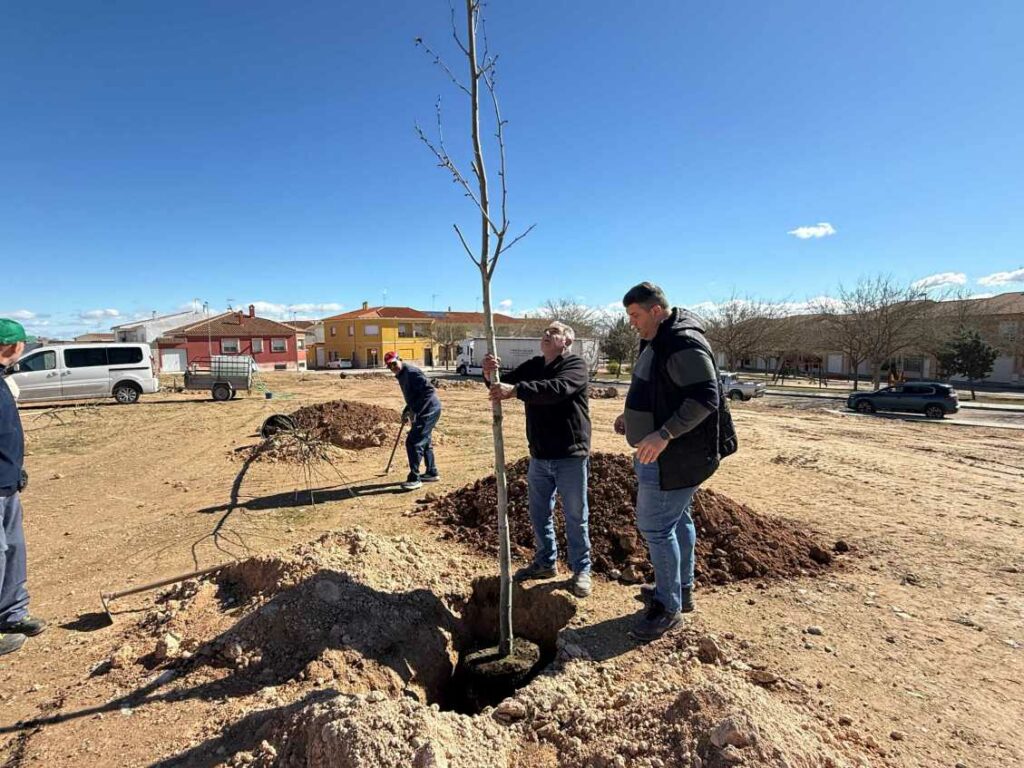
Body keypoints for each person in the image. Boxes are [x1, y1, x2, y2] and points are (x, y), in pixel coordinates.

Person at [614, 283, 721, 641]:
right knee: (677, 521)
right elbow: (663, 390)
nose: (631, 323)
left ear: (656, 310)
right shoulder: (658, 338)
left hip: (673, 456)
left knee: (656, 526)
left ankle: (667, 608)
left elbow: (705, 397)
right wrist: (633, 417)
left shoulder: (681, 342)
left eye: (635, 315)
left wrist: (663, 434)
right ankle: (680, 590)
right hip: (668, 453)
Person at [484, 322, 593, 598]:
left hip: (569, 454)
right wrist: (489, 373)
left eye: (554, 332)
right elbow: (503, 383)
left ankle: (582, 570)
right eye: (545, 331)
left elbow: (557, 389)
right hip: (540, 455)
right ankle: (546, 562)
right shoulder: (534, 365)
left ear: (566, 341)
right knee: (539, 512)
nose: (546, 334)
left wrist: (515, 390)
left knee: (575, 516)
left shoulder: (575, 366)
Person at [0, 319, 47, 656]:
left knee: (13, 549)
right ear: (13, 346)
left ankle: (12, 614)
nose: (24, 349)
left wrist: (16, 469)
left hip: (8, 482)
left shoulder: (3, 380)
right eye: (22, 344)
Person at [385, 351, 442, 491]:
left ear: (400, 359)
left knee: (413, 441)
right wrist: (407, 410)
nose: (392, 367)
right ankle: (431, 472)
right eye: (389, 366)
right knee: (425, 441)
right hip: (424, 410)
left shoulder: (411, 372)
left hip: (429, 410)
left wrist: (415, 409)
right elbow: (414, 395)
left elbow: (428, 391)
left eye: (394, 363)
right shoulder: (401, 374)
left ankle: (414, 479)